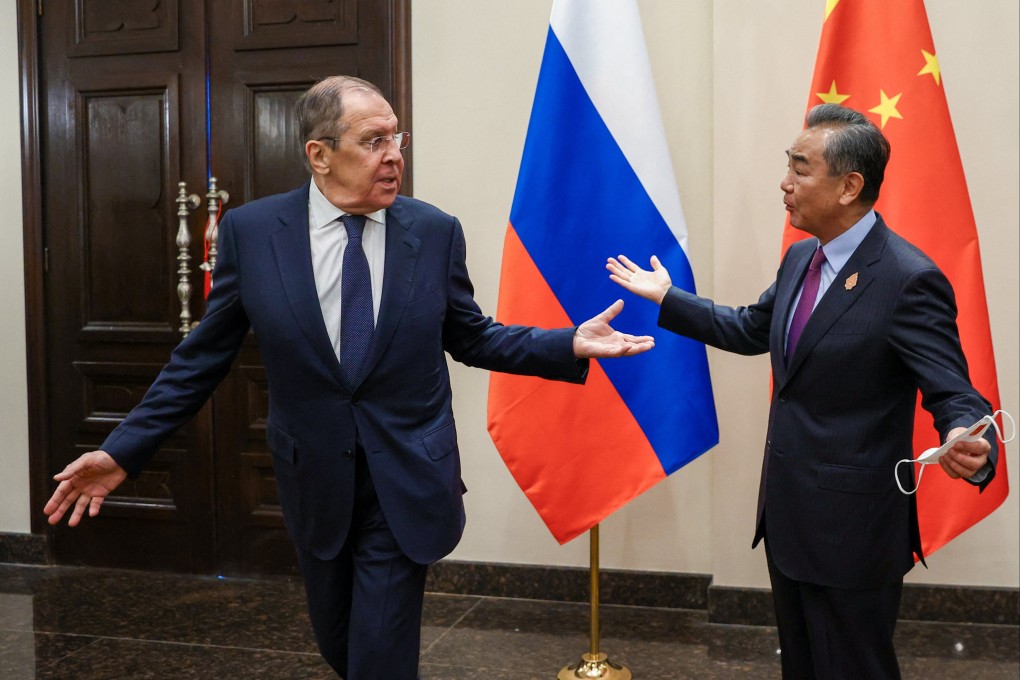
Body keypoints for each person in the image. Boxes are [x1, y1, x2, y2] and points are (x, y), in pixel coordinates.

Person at [43, 75, 654, 680]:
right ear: (319, 154)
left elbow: (471, 335)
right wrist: (124, 450)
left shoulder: (434, 231)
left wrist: (567, 342)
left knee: (380, 656)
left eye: (397, 139)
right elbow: (201, 358)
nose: (394, 157)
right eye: (373, 141)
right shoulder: (254, 235)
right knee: (342, 645)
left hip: (408, 474)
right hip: (316, 478)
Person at [607, 103, 997, 679]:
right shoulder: (800, 258)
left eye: (800, 168)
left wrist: (964, 432)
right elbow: (748, 328)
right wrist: (668, 299)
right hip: (789, 518)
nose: (784, 184)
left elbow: (954, 391)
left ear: (850, 186)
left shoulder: (906, 278)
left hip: (853, 533)